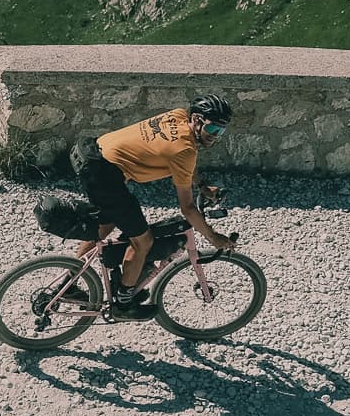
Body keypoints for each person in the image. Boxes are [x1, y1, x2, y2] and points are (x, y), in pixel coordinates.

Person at [70, 95, 239, 319]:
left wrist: (201, 186)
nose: (216, 137)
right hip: (104, 175)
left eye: (222, 132)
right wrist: (213, 237)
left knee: (106, 223)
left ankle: (70, 280)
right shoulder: (185, 150)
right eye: (214, 129)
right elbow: (187, 208)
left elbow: (183, 163)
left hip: (91, 154)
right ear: (197, 120)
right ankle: (123, 304)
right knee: (143, 241)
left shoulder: (178, 115)